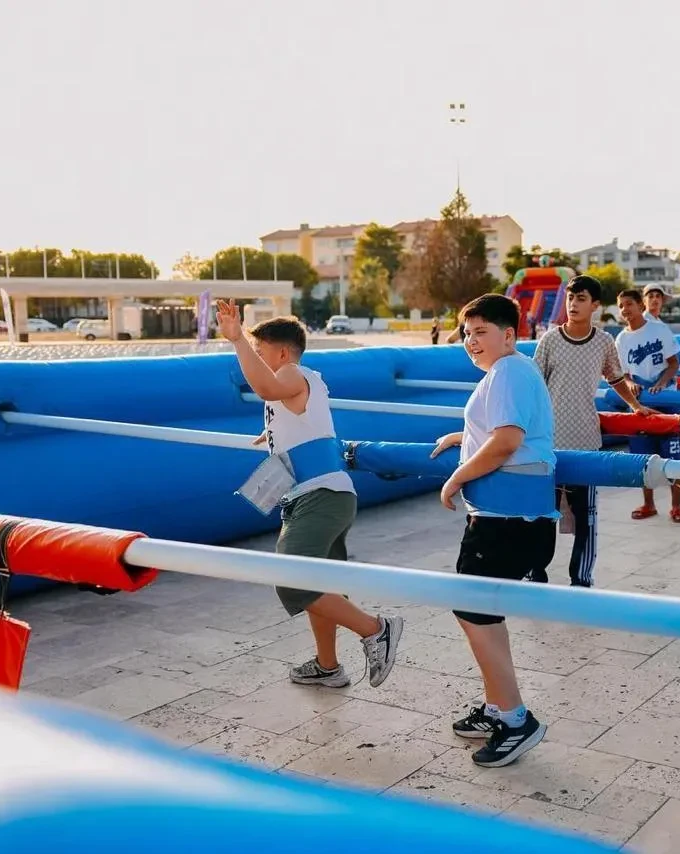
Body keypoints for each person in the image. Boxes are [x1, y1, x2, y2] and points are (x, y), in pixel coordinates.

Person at [215, 300, 402, 690]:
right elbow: (291, 413)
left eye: (260, 351)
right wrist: (272, 436)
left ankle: (376, 629)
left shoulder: (295, 374)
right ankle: (328, 666)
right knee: (322, 584)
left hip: (322, 496)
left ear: (282, 353)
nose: (256, 358)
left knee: (293, 579)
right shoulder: (291, 388)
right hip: (316, 496)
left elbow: (267, 385)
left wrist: (236, 340)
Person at [430, 293, 553, 767]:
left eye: (480, 332)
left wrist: (457, 476)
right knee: (480, 612)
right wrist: (461, 437)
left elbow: (507, 440)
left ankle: (517, 718)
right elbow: (503, 431)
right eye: (466, 333)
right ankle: (499, 706)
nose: (470, 341)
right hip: (506, 517)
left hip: (509, 520)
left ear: (509, 335)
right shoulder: (508, 374)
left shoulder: (509, 371)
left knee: (474, 610)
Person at [534, 275, 654, 587]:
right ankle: (536, 573)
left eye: (581, 299)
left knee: (585, 516)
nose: (573, 304)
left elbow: (615, 379)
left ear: (595, 306)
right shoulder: (549, 340)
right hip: (547, 443)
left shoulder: (603, 342)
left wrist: (635, 407)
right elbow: (533, 386)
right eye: (570, 298)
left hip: (585, 443)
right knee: (541, 514)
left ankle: (582, 579)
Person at [615, 288, 680, 523]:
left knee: (672, 457)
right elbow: (622, 374)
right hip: (640, 404)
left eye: (629, 304)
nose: (625, 310)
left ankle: (677, 505)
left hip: (665, 401)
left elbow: (674, 363)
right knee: (643, 456)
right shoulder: (622, 339)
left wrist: (662, 383)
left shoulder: (658, 329)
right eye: (621, 306)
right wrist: (630, 383)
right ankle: (649, 503)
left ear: (639, 305)